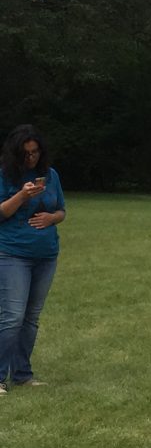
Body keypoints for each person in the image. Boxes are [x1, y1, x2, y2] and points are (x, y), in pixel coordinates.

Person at [0, 125, 66, 395]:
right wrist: (22, 195)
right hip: (13, 253)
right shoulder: (5, 176)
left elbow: (61, 210)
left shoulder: (50, 176)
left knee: (31, 318)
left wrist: (52, 218)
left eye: (35, 152)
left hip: (46, 255)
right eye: (26, 153)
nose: (31, 158)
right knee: (12, 317)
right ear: (16, 154)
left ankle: (22, 374)